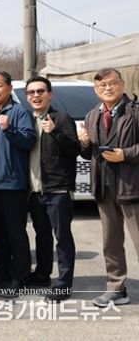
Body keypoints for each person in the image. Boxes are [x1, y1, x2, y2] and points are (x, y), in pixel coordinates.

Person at [78, 68, 139, 307]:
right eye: (102, 85)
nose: (107, 88)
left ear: (122, 84)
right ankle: (116, 288)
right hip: (104, 187)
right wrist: (84, 142)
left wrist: (127, 154)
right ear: (96, 89)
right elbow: (88, 154)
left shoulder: (135, 111)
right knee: (110, 242)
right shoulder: (92, 115)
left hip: (132, 186)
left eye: (112, 83)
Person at [0, 71, 36, 297]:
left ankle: (19, 277)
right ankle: (1, 272)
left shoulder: (19, 112)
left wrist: (9, 129)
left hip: (12, 184)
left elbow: (28, 140)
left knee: (15, 234)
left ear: (10, 88)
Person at [24, 76, 79, 302]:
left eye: (40, 91)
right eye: (31, 92)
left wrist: (56, 132)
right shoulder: (27, 120)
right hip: (35, 190)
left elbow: (75, 148)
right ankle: (42, 274)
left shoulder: (61, 118)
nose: (36, 95)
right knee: (42, 236)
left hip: (57, 190)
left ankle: (64, 284)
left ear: (50, 94)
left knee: (62, 238)